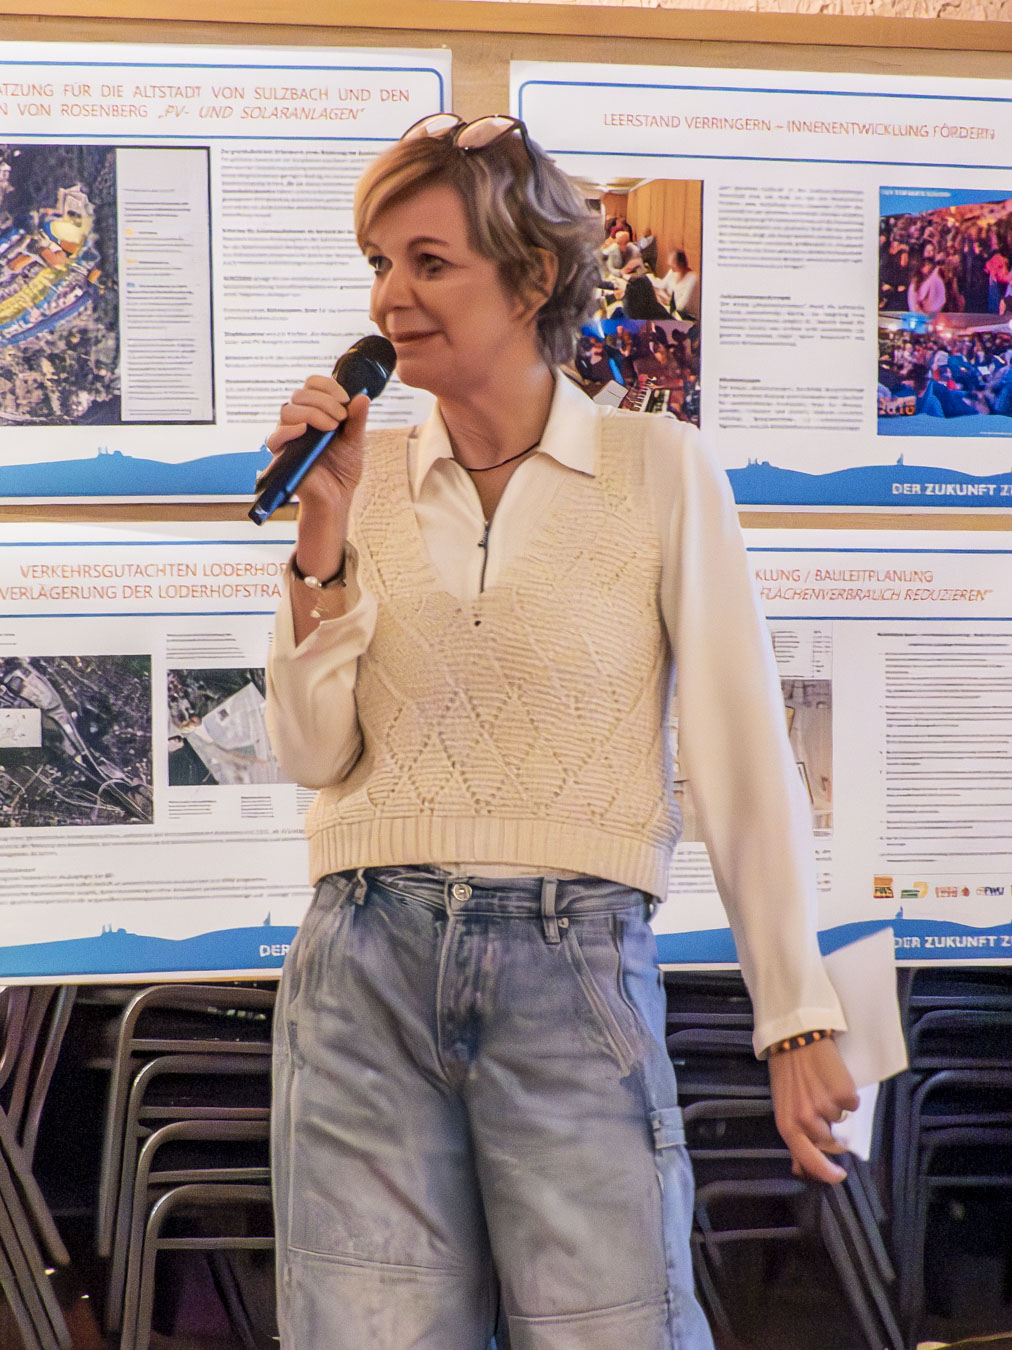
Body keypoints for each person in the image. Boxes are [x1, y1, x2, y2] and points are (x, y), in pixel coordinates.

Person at [264, 111, 857, 1350]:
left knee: (612, 1329)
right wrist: (320, 539)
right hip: (360, 961)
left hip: (570, 954)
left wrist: (795, 1014)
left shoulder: (657, 467)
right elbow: (314, 756)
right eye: (378, 263)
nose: (389, 298)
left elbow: (741, 754)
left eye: (429, 262)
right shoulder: (359, 475)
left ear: (531, 278)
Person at [658, 248, 700, 319]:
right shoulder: (673, 272)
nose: (671, 267)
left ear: (681, 263)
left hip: (688, 317)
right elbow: (661, 285)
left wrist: (666, 302)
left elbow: (681, 306)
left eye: (673, 264)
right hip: (674, 312)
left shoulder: (693, 278)